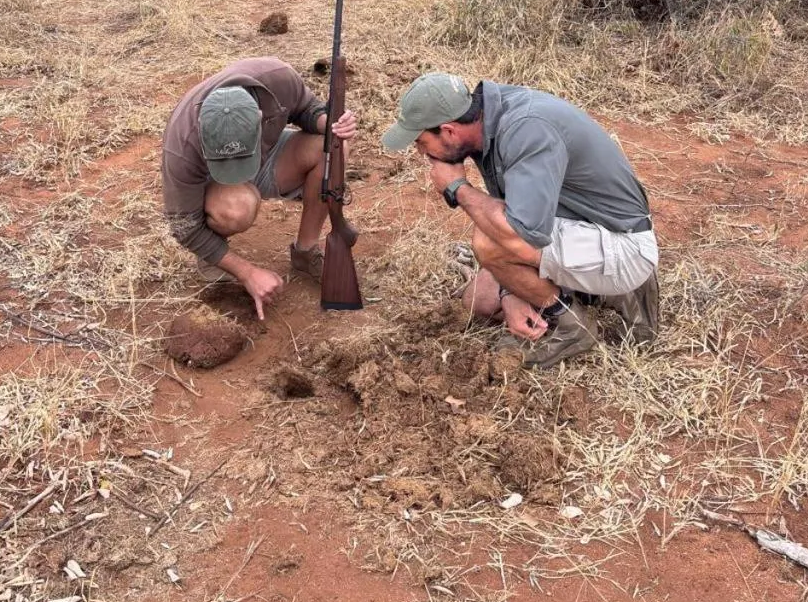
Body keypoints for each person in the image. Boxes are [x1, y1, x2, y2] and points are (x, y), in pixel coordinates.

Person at [382, 73, 658, 368]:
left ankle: (572, 327)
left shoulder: (526, 129)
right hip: (575, 226)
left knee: (488, 243)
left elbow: (519, 234)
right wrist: (508, 293)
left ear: (449, 131)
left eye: (421, 142)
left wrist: (458, 188)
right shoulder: (487, 120)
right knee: (481, 300)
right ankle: (592, 289)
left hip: (622, 244)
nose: (421, 152)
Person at [162, 57, 357, 320]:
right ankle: (213, 254)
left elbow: (308, 110)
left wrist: (330, 124)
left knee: (333, 150)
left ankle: (305, 252)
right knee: (236, 208)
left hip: (267, 155)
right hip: (216, 186)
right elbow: (183, 226)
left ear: (260, 117)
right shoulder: (182, 143)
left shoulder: (278, 79)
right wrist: (247, 272)